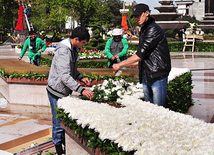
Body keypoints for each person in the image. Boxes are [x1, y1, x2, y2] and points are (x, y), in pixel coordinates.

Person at [46, 26, 94, 155]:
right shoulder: (64, 51)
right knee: (57, 121)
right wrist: (81, 90)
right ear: (76, 39)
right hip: (56, 91)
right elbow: (64, 75)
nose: (83, 45)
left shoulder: (73, 49)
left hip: (64, 91)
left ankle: (62, 142)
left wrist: (80, 77)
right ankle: (58, 147)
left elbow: (71, 69)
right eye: (83, 43)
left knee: (63, 119)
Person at [113, 3, 171, 107]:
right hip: (147, 74)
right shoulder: (145, 28)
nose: (136, 18)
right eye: (135, 16)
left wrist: (120, 65)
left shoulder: (152, 29)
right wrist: (131, 64)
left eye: (138, 15)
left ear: (147, 13)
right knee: (149, 108)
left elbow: (140, 54)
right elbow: (145, 55)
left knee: (159, 110)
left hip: (157, 74)